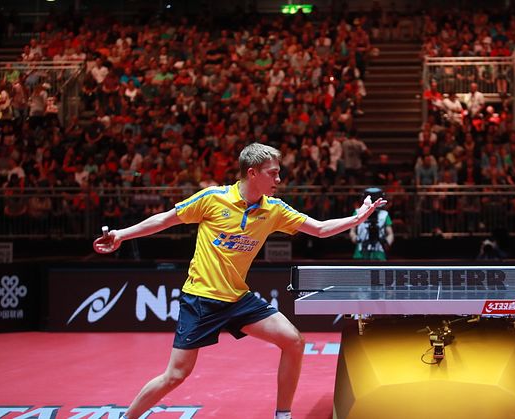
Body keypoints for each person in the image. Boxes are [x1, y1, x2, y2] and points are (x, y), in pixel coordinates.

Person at [93, 143, 386, 419]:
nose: (279, 179)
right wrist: (121, 234)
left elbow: (320, 229)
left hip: (238, 299)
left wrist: (357, 218)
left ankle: (282, 414)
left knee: (294, 342)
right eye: (273, 173)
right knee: (176, 375)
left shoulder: (274, 210)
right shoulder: (212, 199)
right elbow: (165, 219)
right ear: (252, 172)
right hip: (201, 300)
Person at [350, 187, 394, 260]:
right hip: (361, 251)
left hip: (379, 252)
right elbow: (352, 231)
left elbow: (390, 233)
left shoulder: (384, 214)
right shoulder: (358, 213)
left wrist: (387, 243)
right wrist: (355, 238)